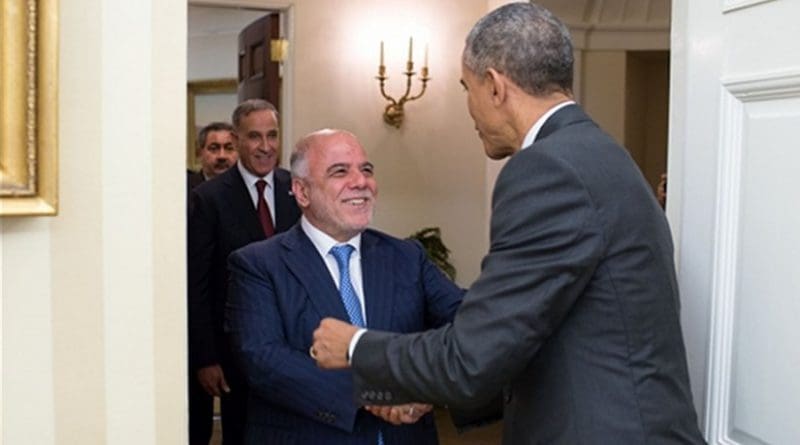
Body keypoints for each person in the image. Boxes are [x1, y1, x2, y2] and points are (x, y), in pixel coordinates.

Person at [311, 3, 706, 444]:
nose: (469, 109)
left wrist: (354, 346)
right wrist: (420, 387)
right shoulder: (603, 153)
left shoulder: (547, 170)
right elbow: (533, 337)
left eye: (467, 88)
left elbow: (470, 357)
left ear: (495, 86)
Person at [225, 128, 465, 444]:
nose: (361, 182)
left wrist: (426, 384)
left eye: (366, 170)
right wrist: (379, 391)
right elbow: (265, 362)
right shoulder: (258, 265)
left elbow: (466, 322)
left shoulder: (407, 257)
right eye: (340, 171)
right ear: (302, 191)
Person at [188, 99, 302, 445]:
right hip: (234, 353)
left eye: (272, 135)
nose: (266, 147)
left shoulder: (298, 189)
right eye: (255, 137)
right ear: (237, 140)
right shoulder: (208, 198)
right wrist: (205, 357)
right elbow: (197, 283)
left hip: (293, 348)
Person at [187, 122, 238, 213]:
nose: (222, 156)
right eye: (214, 148)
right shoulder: (184, 190)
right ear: (200, 153)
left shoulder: (248, 190)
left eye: (229, 148)